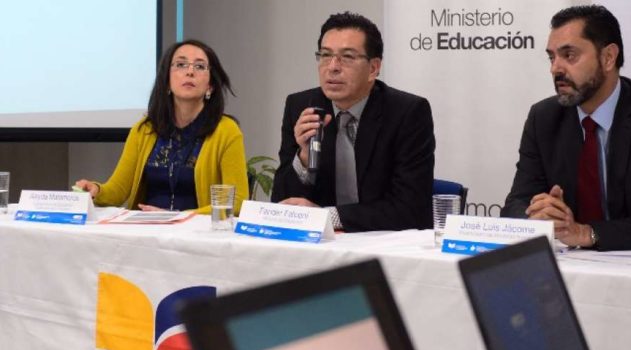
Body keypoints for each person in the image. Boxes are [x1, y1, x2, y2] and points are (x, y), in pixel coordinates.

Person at [501, 5, 631, 251]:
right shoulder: (543, 118)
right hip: (576, 265)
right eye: (552, 57)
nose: (555, 68)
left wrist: (587, 233)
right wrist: (538, 217)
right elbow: (516, 203)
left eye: (569, 55)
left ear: (608, 57)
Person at [271, 12, 435, 232]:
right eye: (325, 55)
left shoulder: (407, 113)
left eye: (347, 57)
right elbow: (282, 204)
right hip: (320, 244)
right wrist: (303, 159)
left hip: (385, 243)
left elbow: (410, 209)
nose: (333, 67)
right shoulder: (302, 106)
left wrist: (329, 217)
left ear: (373, 68)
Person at [76, 39, 249, 214]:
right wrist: (97, 190)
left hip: (197, 229)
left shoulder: (226, 131)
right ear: (167, 81)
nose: (190, 71)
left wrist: (178, 217)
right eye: (181, 64)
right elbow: (118, 190)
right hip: (147, 226)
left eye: (199, 66)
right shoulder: (144, 130)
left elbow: (237, 202)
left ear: (210, 85)